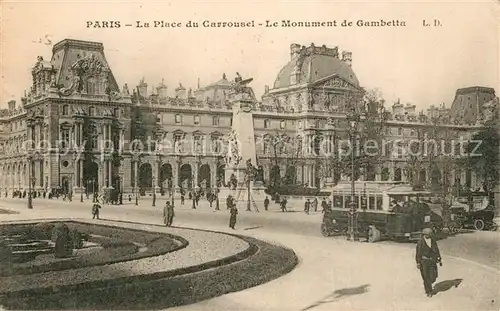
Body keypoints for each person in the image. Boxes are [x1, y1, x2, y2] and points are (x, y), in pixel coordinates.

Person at [415, 227, 443, 297]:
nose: (429, 236)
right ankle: (429, 291)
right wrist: (418, 262)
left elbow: (436, 250)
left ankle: (429, 285)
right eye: (427, 234)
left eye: (430, 234)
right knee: (426, 277)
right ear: (424, 234)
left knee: (433, 276)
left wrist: (439, 258)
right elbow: (418, 253)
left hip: (432, 260)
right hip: (424, 261)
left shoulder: (433, 241)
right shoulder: (420, 242)